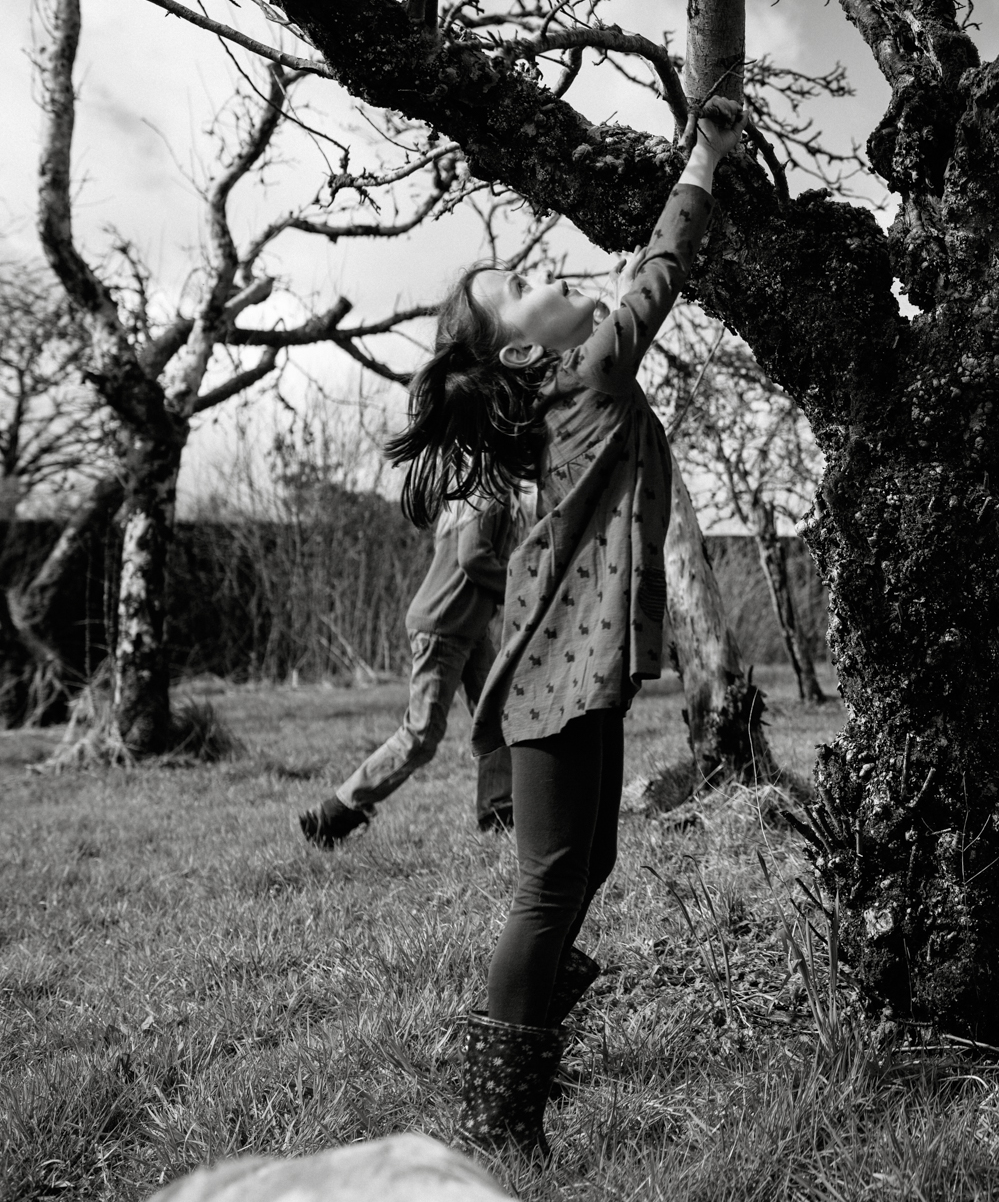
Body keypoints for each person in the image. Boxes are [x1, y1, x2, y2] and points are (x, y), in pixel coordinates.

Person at [384, 100, 744, 1154]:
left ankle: (531, 1010)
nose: (545, 273)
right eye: (521, 288)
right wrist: (705, 156)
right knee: (546, 886)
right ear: (521, 355)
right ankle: (499, 1112)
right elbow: (660, 271)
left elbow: (622, 281)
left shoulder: (561, 385)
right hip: (550, 671)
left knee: (588, 867)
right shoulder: (584, 375)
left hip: (583, 665)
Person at [297, 497, 519, 847]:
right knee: (420, 736)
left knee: (499, 715)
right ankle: (335, 813)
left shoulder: (470, 494)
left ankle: (497, 812)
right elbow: (473, 557)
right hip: (445, 627)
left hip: (466, 627)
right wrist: (522, 586)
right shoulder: (489, 498)